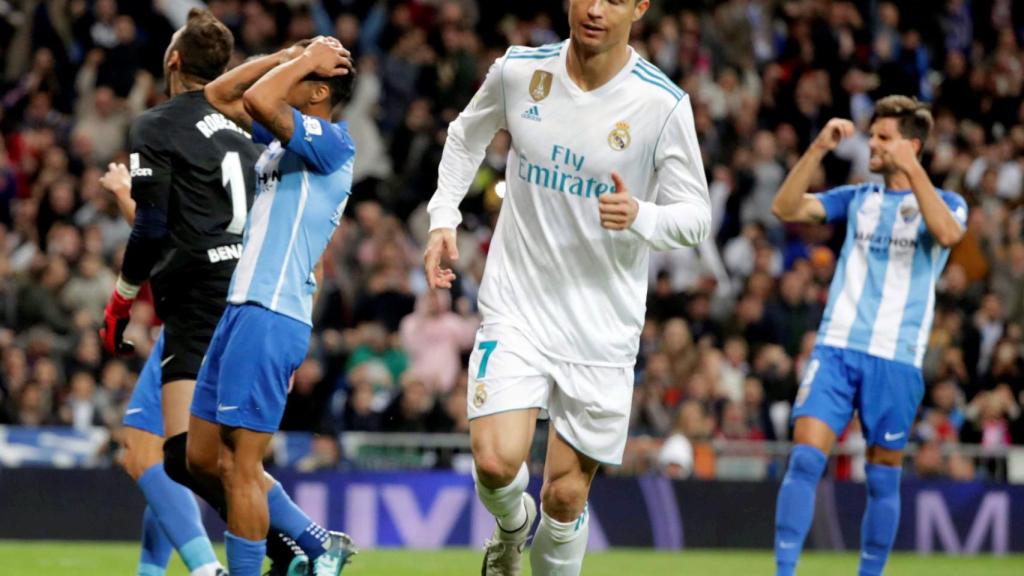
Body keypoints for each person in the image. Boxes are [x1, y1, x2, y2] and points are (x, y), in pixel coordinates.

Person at [423, 1, 710, 574]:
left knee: (564, 496)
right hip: (518, 305)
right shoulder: (518, 71)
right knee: (495, 461)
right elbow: (463, 137)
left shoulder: (661, 104)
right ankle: (510, 524)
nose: (595, 9)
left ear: (639, 8)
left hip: (601, 327)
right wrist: (442, 216)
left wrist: (641, 216)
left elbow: (696, 216)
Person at [769, 95, 967, 576]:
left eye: (883, 138)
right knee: (804, 460)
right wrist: (817, 148)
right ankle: (783, 572)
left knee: (882, 479)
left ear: (911, 146)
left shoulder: (949, 203)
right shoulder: (859, 198)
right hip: (837, 347)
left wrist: (912, 172)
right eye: (872, 135)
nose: (871, 145)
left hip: (895, 357)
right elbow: (785, 207)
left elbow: (947, 235)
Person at [188, 36, 357, 576]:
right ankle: (316, 542)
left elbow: (260, 101)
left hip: (271, 312)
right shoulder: (287, 146)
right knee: (201, 458)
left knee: (241, 467)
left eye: (306, 77)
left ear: (320, 91)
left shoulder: (332, 145)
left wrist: (305, 60)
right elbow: (218, 94)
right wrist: (289, 57)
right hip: (242, 307)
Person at [99, 162, 225, 576]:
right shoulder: (246, 162)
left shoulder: (196, 146)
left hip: (196, 321)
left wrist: (121, 192)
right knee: (172, 459)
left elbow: (164, 238)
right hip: (235, 323)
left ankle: (207, 568)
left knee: (142, 451)